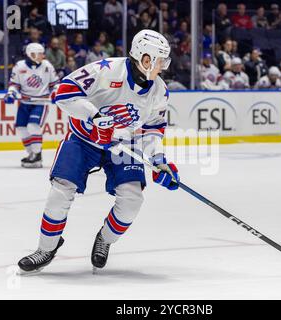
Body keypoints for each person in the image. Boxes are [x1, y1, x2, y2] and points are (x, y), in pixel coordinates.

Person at [17, 29, 178, 273]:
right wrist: (95, 117)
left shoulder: (160, 91)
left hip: (124, 145)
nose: (163, 66)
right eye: (159, 60)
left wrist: (158, 159)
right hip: (83, 139)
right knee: (60, 192)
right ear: (144, 58)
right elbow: (63, 93)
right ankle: (46, 248)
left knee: (133, 199)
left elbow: (154, 128)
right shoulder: (106, 70)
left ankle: (105, 239)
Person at [4, 43, 59, 168]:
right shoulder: (20, 66)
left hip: (40, 102)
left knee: (33, 125)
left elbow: (55, 83)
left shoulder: (47, 66)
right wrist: (11, 94)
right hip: (25, 103)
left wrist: (56, 93)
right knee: (21, 128)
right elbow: (14, 84)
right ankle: (32, 154)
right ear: (31, 54)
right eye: (39, 53)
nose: (42, 56)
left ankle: (37, 154)